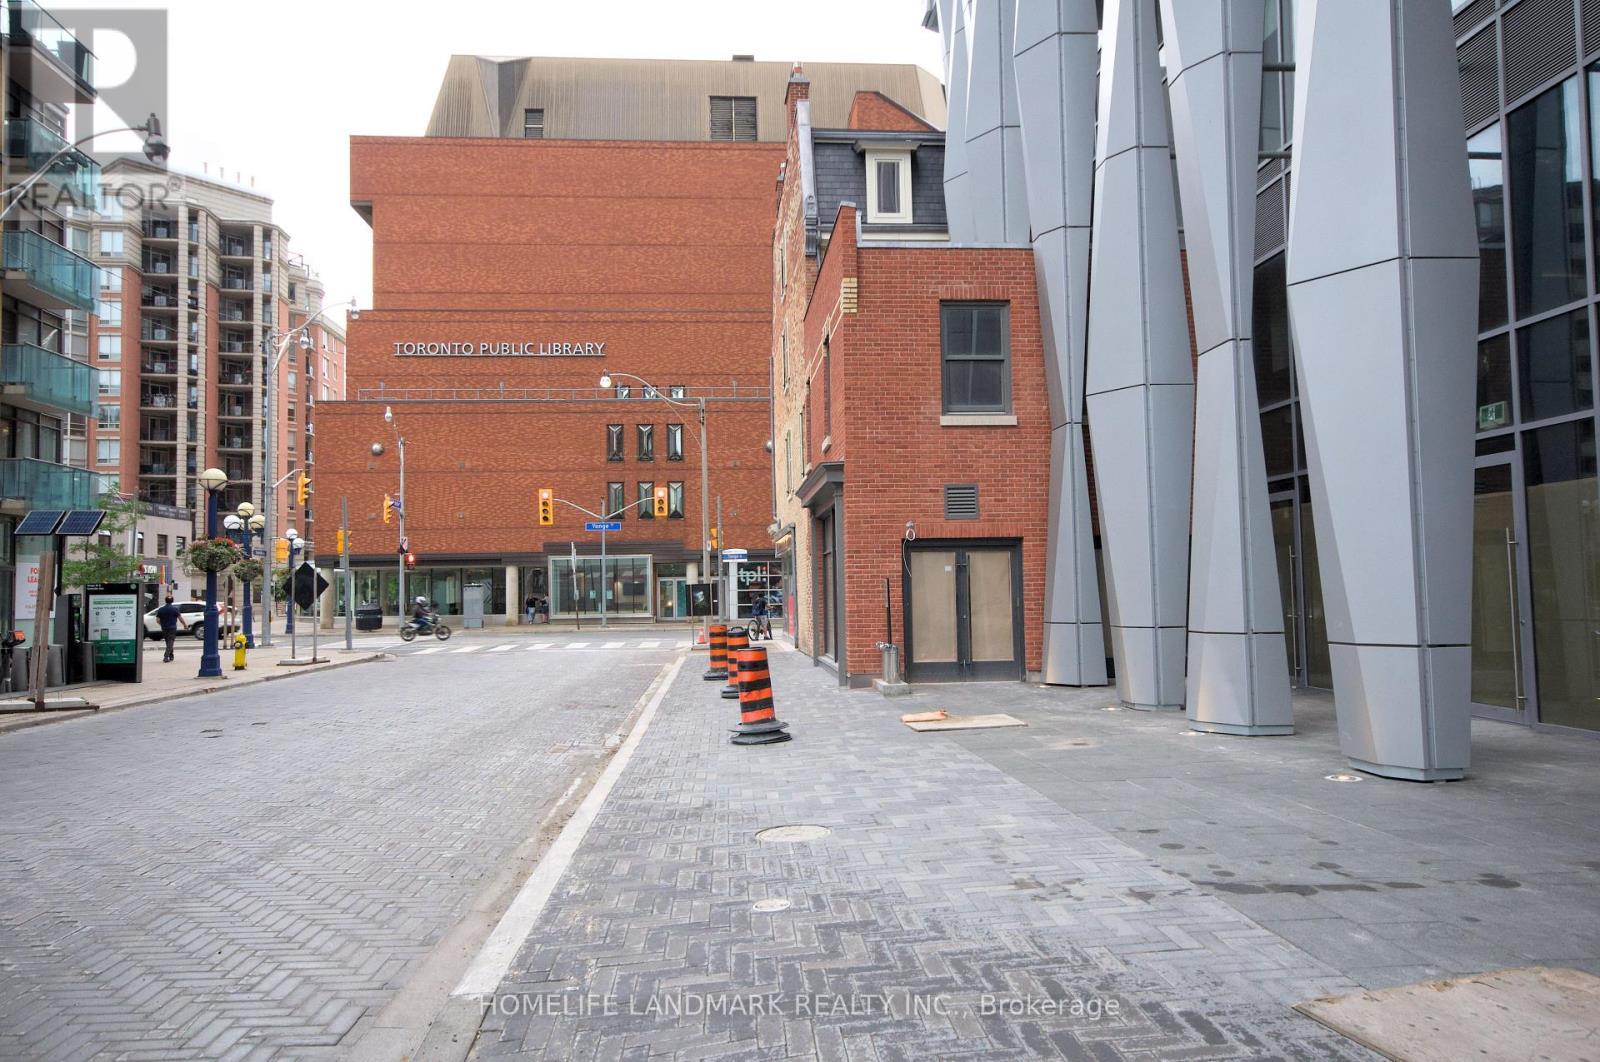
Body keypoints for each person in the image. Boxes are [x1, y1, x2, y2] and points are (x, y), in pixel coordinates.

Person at [156, 595, 182, 662]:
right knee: (170, 642)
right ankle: (166, 656)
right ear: (172, 601)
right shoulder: (175, 609)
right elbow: (180, 618)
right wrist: (185, 625)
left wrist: (162, 625)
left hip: (164, 628)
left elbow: (157, 620)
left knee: (168, 642)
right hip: (172, 628)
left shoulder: (161, 609)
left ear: (165, 601)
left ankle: (171, 655)